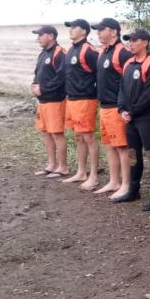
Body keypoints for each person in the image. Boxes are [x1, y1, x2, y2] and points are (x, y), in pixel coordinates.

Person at [117, 28, 150, 210]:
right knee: (132, 153)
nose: (131, 43)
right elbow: (121, 88)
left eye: (134, 40)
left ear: (145, 42)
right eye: (129, 40)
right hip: (129, 118)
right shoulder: (128, 63)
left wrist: (133, 111)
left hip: (146, 117)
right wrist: (122, 109)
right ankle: (133, 189)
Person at [92, 17, 134, 200]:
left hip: (117, 108)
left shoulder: (122, 52)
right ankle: (113, 180)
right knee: (109, 145)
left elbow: (130, 81)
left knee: (122, 147)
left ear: (114, 32)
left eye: (102, 29)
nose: (99, 33)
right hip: (104, 106)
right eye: (98, 30)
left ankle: (126, 184)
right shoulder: (103, 52)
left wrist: (125, 107)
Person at [62, 18, 101, 190]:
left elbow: (99, 74)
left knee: (89, 137)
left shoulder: (89, 50)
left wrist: (96, 94)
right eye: (70, 27)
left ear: (84, 31)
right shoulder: (71, 50)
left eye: (74, 27)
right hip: (72, 99)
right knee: (78, 137)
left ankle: (94, 175)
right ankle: (81, 171)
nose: (70, 30)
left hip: (86, 99)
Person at [30, 25, 68, 178]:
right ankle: (52, 164)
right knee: (45, 133)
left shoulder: (60, 53)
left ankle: (63, 167)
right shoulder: (42, 54)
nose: (37, 38)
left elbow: (61, 77)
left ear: (51, 36)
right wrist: (34, 85)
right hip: (43, 101)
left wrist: (43, 88)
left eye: (40, 35)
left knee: (57, 133)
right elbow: (38, 73)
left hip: (55, 100)